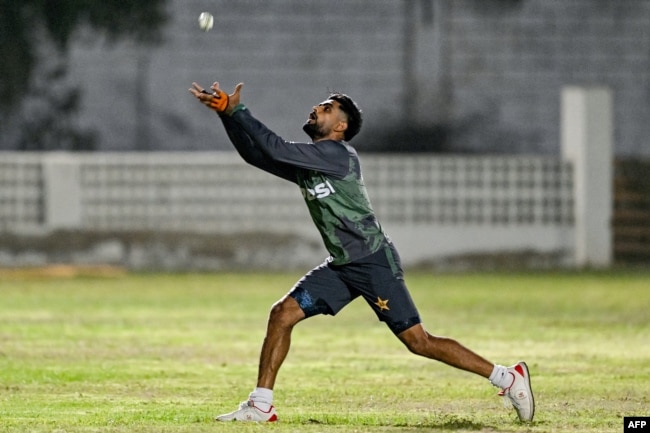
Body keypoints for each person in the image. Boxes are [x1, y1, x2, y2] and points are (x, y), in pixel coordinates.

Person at [188, 81, 535, 423]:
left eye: (326, 108)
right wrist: (225, 114)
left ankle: (507, 377)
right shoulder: (313, 162)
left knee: (419, 342)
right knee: (282, 314)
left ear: (340, 126)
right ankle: (261, 405)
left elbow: (275, 147)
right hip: (342, 266)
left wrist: (239, 110)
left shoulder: (337, 155)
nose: (316, 108)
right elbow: (256, 155)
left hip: (371, 262)